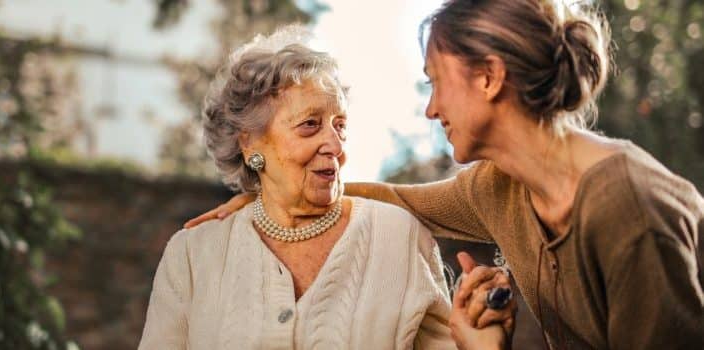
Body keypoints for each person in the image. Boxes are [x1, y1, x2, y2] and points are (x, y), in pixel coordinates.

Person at [185, 1, 704, 349]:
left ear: (489, 77)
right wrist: (273, 196)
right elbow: (398, 199)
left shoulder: (627, 208)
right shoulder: (499, 186)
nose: (431, 109)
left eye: (436, 82)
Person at [139, 26, 514, 350]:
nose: (335, 146)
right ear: (250, 143)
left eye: (340, 125)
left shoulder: (399, 236)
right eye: (310, 125)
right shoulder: (192, 255)